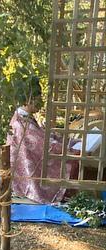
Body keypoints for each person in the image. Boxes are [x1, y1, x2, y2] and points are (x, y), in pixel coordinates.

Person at [7, 76, 79, 204]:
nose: (41, 101)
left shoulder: (22, 118)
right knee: (72, 161)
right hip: (25, 178)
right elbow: (45, 146)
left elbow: (43, 137)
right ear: (28, 99)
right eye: (38, 97)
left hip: (20, 174)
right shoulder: (21, 124)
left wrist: (68, 142)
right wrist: (72, 151)